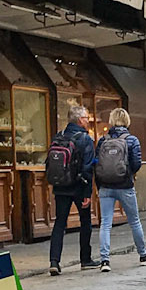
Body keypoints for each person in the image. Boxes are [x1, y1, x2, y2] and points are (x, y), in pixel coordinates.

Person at [95, 106, 146, 271]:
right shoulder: (132, 140)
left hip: (106, 186)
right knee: (134, 221)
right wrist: (129, 174)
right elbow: (137, 163)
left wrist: (99, 183)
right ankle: (143, 254)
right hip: (125, 185)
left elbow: (97, 163)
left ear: (112, 121)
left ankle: (105, 260)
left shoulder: (103, 140)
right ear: (127, 121)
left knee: (105, 223)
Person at [46, 103, 97, 274]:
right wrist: (87, 193)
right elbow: (88, 167)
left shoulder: (58, 136)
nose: (88, 121)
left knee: (60, 223)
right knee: (85, 222)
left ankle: (54, 261)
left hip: (60, 186)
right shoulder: (85, 139)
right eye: (87, 118)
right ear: (80, 120)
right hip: (78, 186)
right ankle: (85, 259)